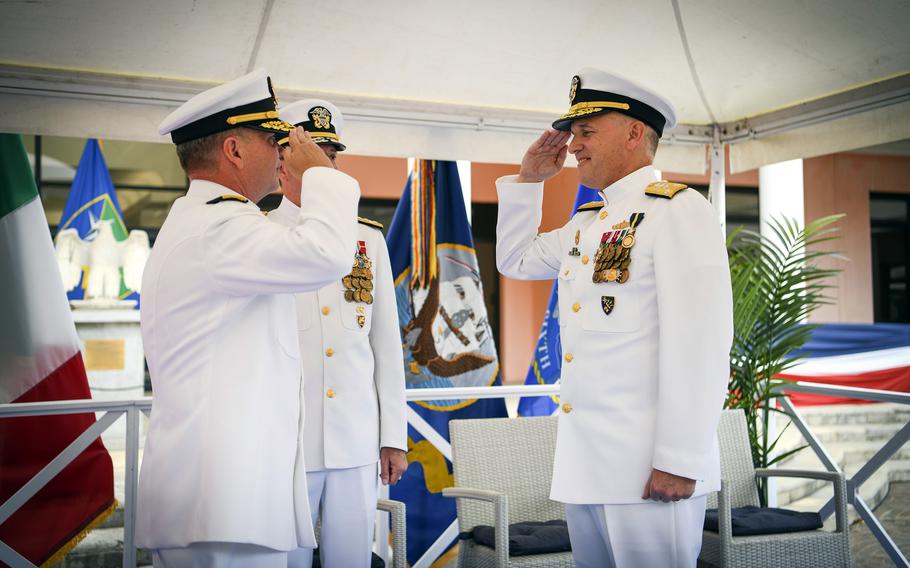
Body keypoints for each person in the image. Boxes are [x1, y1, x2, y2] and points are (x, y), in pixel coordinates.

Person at [495, 68, 733, 567]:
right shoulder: (588, 223)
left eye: (586, 131)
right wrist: (529, 181)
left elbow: (700, 346)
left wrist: (679, 459)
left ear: (632, 132)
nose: (574, 146)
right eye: (574, 133)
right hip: (588, 467)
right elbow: (514, 261)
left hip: (649, 470)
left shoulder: (679, 211)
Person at [137, 69, 362, 567]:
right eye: (273, 140)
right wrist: (324, 176)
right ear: (234, 151)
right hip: (220, 502)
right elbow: (326, 255)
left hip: (221, 499)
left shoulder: (212, 222)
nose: (284, 152)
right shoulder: (218, 227)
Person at [269, 99, 408, 568]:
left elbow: (386, 345)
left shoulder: (367, 239)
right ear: (281, 160)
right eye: (310, 152)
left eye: (330, 155)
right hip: (288, 441)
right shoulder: (262, 234)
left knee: (352, 558)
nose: (322, 165)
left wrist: (394, 436)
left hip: (356, 439)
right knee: (286, 558)